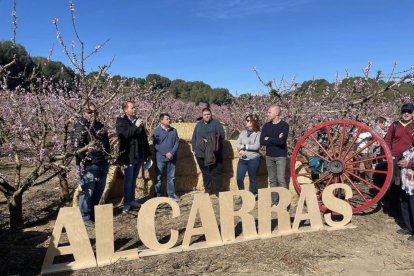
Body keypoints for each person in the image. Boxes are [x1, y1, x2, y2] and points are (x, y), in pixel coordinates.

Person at [71, 103, 110, 228]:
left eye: (94, 112)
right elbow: (77, 148)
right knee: (87, 191)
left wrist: (108, 157)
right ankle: (85, 216)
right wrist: (88, 162)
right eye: (89, 112)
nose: (92, 114)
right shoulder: (79, 126)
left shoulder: (100, 126)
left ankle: (93, 213)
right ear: (83, 113)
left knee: (98, 191)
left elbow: (106, 143)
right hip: (89, 165)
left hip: (103, 163)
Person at [116, 101, 151, 213]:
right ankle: (126, 203)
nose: (134, 109)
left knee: (134, 179)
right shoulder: (121, 121)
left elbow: (144, 139)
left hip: (139, 155)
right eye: (132, 108)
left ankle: (132, 200)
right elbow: (124, 136)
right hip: (128, 156)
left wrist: (148, 154)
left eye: (135, 107)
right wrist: (135, 126)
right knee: (128, 179)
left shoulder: (138, 121)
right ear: (126, 110)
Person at [385, 103, 414, 217]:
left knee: (408, 185)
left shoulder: (413, 126)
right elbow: (387, 140)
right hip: (395, 158)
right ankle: (393, 208)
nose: (406, 113)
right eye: (404, 111)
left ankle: (407, 211)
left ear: (413, 114)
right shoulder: (395, 125)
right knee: (394, 183)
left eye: (409, 111)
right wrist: (390, 154)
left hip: (409, 159)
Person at [191, 107, 225, 197]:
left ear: (211, 114)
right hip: (201, 154)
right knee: (205, 173)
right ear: (202, 116)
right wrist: (194, 149)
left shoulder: (216, 124)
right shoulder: (198, 125)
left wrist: (210, 138)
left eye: (208, 114)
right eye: (205, 115)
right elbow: (194, 137)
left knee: (215, 172)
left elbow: (222, 136)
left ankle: (218, 192)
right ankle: (208, 190)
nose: (206, 116)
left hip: (214, 154)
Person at [260, 105, 289, 206]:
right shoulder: (266, 126)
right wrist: (275, 139)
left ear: (276, 113)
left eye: (269, 112)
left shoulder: (284, 125)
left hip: (280, 156)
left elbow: (281, 142)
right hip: (269, 156)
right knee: (272, 180)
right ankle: (275, 202)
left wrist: (269, 139)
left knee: (281, 179)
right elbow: (261, 141)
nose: (267, 114)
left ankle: (284, 203)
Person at [152, 113, 181, 201]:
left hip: (172, 158)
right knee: (159, 177)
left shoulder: (174, 130)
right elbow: (156, 145)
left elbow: (177, 142)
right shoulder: (156, 131)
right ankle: (158, 195)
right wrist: (166, 154)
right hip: (161, 158)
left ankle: (171, 194)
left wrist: (171, 153)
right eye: (167, 119)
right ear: (161, 121)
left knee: (171, 177)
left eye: (169, 119)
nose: (169, 120)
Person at [236, 114, 261, 195]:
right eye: (246, 120)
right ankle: (243, 195)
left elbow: (256, 146)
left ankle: (252, 194)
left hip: (253, 159)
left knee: (252, 178)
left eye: (248, 120)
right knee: (239, 178)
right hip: (242, 159)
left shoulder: (258, 134)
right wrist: (240, 150)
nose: (246, 122)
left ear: (253, 122)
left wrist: (245, 146)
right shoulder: (243, 132)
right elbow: (237, 143)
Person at [397, 145, 414, 241]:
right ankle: (409, 227)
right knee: (405, 205)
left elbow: (409, 163)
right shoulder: (410, 148)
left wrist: (409, 164)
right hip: (406, 183)